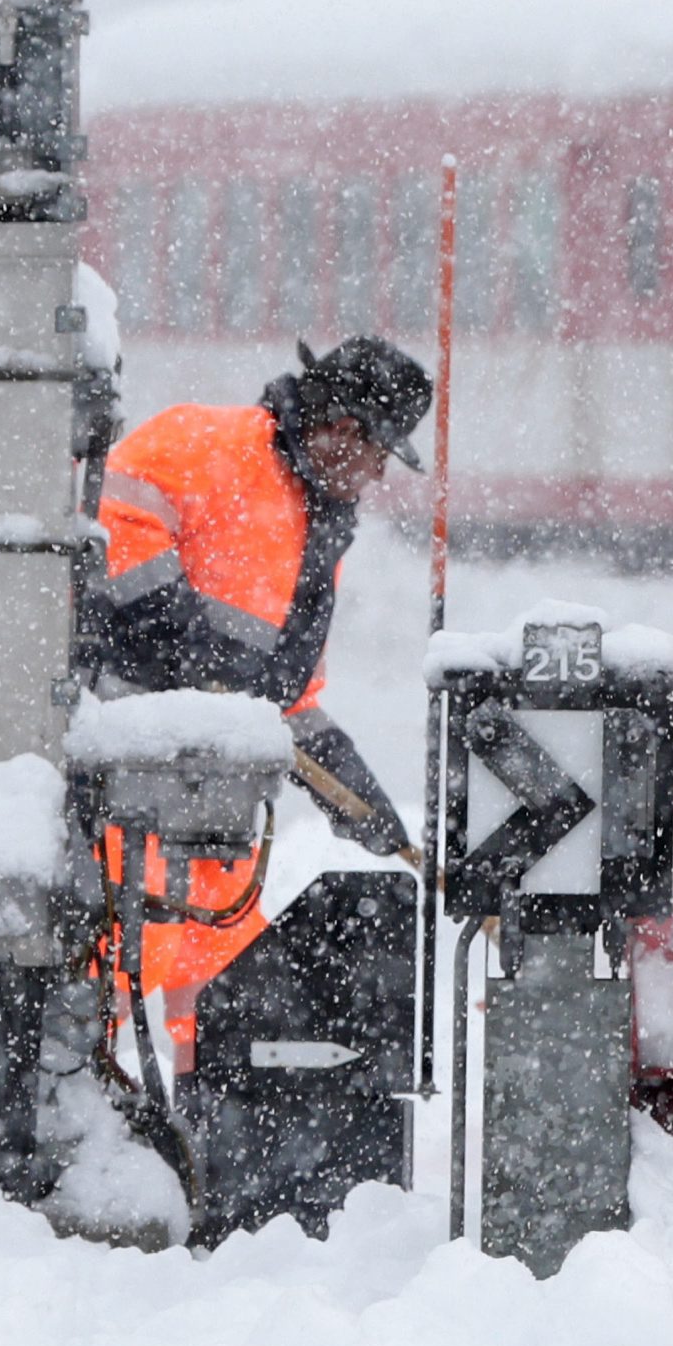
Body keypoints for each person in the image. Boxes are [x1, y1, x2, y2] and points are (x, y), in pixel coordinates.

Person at [84, 335, 431, 1064]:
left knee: (224, 1016)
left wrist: (359, 797)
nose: (375, 476)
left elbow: (292, 703)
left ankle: (206, 1154)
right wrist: (177, 639)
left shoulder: (319, 533)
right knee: (98, 994)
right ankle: (73, 1130)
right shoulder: (212, 442)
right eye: (377, 455)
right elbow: (115, 510)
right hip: (131, 799)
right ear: (341, 428)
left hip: (217, 833)